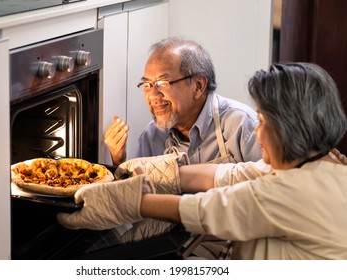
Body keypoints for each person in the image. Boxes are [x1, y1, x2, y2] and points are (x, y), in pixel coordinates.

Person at [58, 62, 347, 259]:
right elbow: (229, 174)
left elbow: (207, 210)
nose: (257, 131)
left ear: (290, 127)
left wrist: (129, 201)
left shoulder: (290, 192)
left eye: (262, 121)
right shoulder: (323, 164)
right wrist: (159, 171)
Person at [104, 36, 262, 166]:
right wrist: (119, 161)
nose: (153, 95)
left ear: (198, 86)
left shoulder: (243, 125)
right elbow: (138, 196)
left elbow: (270, 190)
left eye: (162, 83)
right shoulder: (151, 137)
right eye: (147, 84)